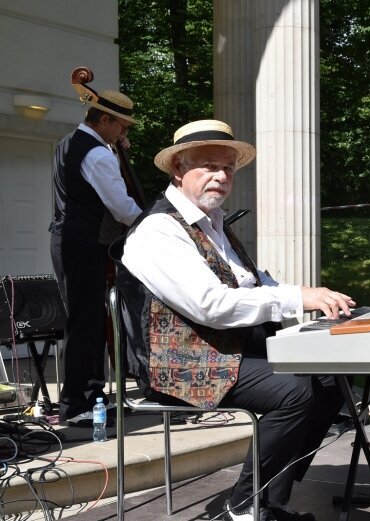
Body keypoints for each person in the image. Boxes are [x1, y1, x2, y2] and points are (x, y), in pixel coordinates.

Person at [112, 119, 351, 521]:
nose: (220, 177)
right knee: (296, 391)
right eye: (207, 165)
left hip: (226, 352)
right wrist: (294, 298)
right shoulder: (157, 231)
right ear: (178, 169)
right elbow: (212, 306)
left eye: (227, 168)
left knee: (330, 380)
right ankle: (242, 507)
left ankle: (272, 501)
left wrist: (315, 298)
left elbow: (255, 282)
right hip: (178, 365)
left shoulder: (214, 224)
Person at [49, 89, 143, 424]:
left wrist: (115, 150)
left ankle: (92, 397)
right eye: (122, 126)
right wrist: (154, 222)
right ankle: (78, 405)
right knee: (85, 323)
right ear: (105, 119)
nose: (124, 133)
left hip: (69, 241)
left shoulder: (69, 141)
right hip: (83, 242)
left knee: (86, 321)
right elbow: (122, 208)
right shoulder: (98, 155)